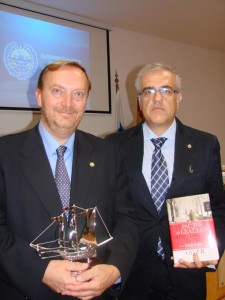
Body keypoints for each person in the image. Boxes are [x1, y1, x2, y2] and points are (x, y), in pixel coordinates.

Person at [0, 60, 138, 300]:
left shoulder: (109, 154)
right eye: (57, 91)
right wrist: (39, 270)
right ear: (39, 96)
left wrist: (114, 268)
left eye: (78, 94)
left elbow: (126, 219)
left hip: (94, 293)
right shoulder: (4, 154)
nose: (68, 104)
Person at [106, 62, 225, 300]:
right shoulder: (114, 146)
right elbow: (109, 209)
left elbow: (219, 207)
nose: (157, 98)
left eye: (166, 90)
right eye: (148, 91)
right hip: (132, 273)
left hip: (187, 274)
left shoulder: (205, 144)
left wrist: (213, 250)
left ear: (178, 98)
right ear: (139, 100)